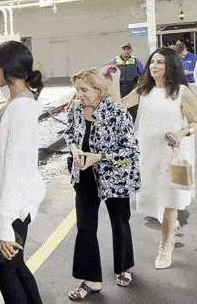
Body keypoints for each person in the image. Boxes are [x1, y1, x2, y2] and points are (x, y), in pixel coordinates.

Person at [114, 47, 197, 269]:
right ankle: (170, 226)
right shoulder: (144, 90)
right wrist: (114, 80)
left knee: (171, 201)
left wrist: (182, 134)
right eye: (152, 62)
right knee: (155, 197)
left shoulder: (182, 92)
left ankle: (166, 247)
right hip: (149, 154)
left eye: (160, 62)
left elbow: (196, 123)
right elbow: (120, 104)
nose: (154, 66)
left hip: (175, 155)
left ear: (170, 65)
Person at [64, 69, 140, 301]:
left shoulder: (116, 111)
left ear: (99, 89)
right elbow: (69, 135)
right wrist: (75, 149)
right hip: (85, 176)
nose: (79, 94)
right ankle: (91, 280)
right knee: (85, 228)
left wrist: (100, 157)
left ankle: (123, 266)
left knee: (120, 221)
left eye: (84, 90)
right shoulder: (76, 109)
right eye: (77, 89)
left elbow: (131, 151)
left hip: (114, 175)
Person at [0, 41, 45, 304]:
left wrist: (4, 224)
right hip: (15, 199)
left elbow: (14, 170)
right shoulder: (22, 97)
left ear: (7, 70)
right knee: (15, 264)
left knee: (3, 267)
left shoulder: (19, 110)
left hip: (13, 202)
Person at [109, 42, 144, 120]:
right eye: (124, 49)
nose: (125, 51)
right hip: (119, 89)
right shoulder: (115, 60)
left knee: (133, 109)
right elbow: (108, 73)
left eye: (127, 49)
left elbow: (143, 73)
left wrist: (141, 84)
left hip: (132, 87)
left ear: (131, 50)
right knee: (119, 108)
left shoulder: (135, 61)